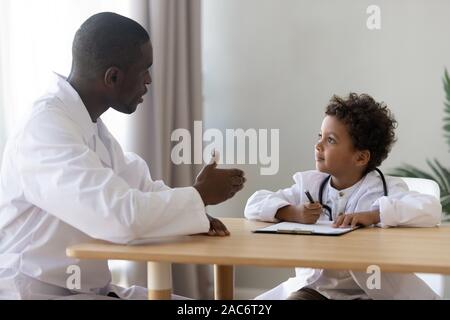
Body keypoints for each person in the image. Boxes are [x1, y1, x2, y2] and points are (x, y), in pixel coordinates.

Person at [0, 12, 246, 300]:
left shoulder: (88, 124)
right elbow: (121, 217)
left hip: (83, 290)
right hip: (36, 293)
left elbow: (139, 186)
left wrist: (195, 212)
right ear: (113, 77)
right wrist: (198, 195)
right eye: (145, 70)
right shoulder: (44, 130)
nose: (149, 81)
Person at [244, 93, 441, 300]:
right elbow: (253, 204)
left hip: (370, 293)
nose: (318, 146)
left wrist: (376, 215)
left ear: (361, 157)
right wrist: (291, 212)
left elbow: (430, 209)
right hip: (317, 291)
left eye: (330, 140)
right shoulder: (309, 186)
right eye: (319, 136)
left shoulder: (384, 188)